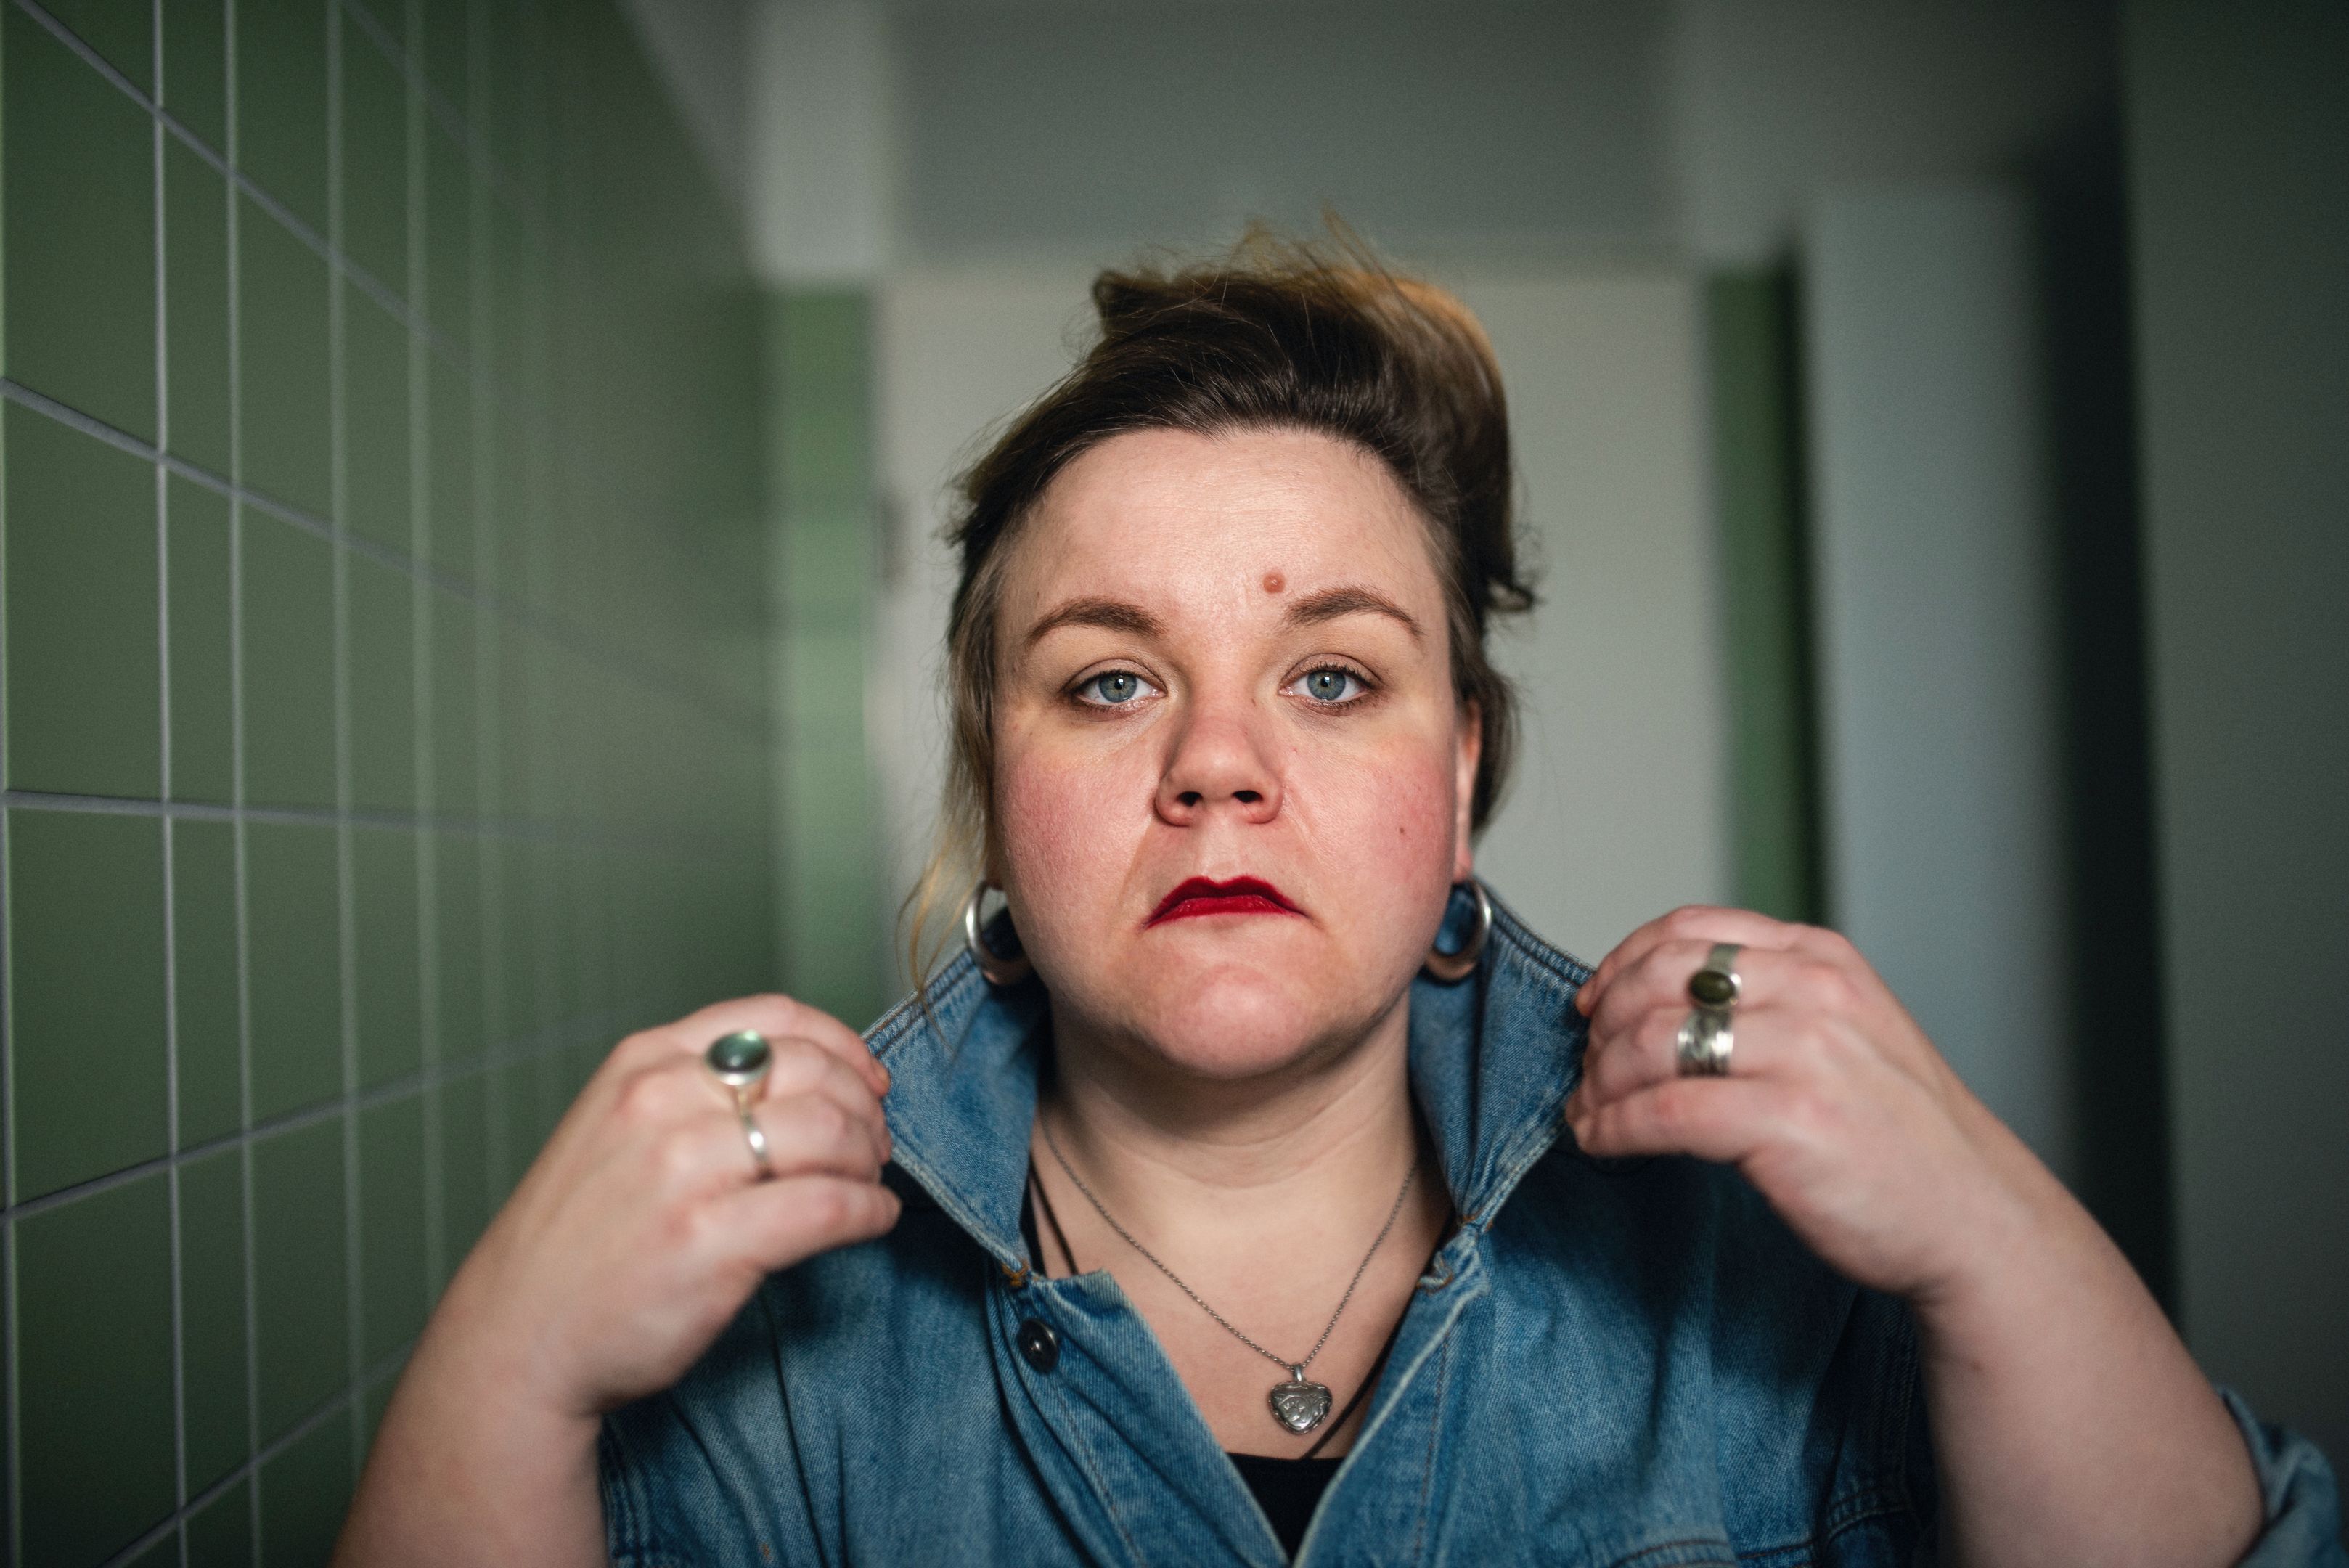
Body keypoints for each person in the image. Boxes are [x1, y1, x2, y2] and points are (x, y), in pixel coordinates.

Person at [336, 239, 2342, 1567]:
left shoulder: (1756, 1277)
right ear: (993, 790)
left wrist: (1988, 1229)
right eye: (1107, 682)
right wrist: (502, 1370)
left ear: (1457, 776)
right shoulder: (772, 1343)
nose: (1217, 764)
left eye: (1330, 677)